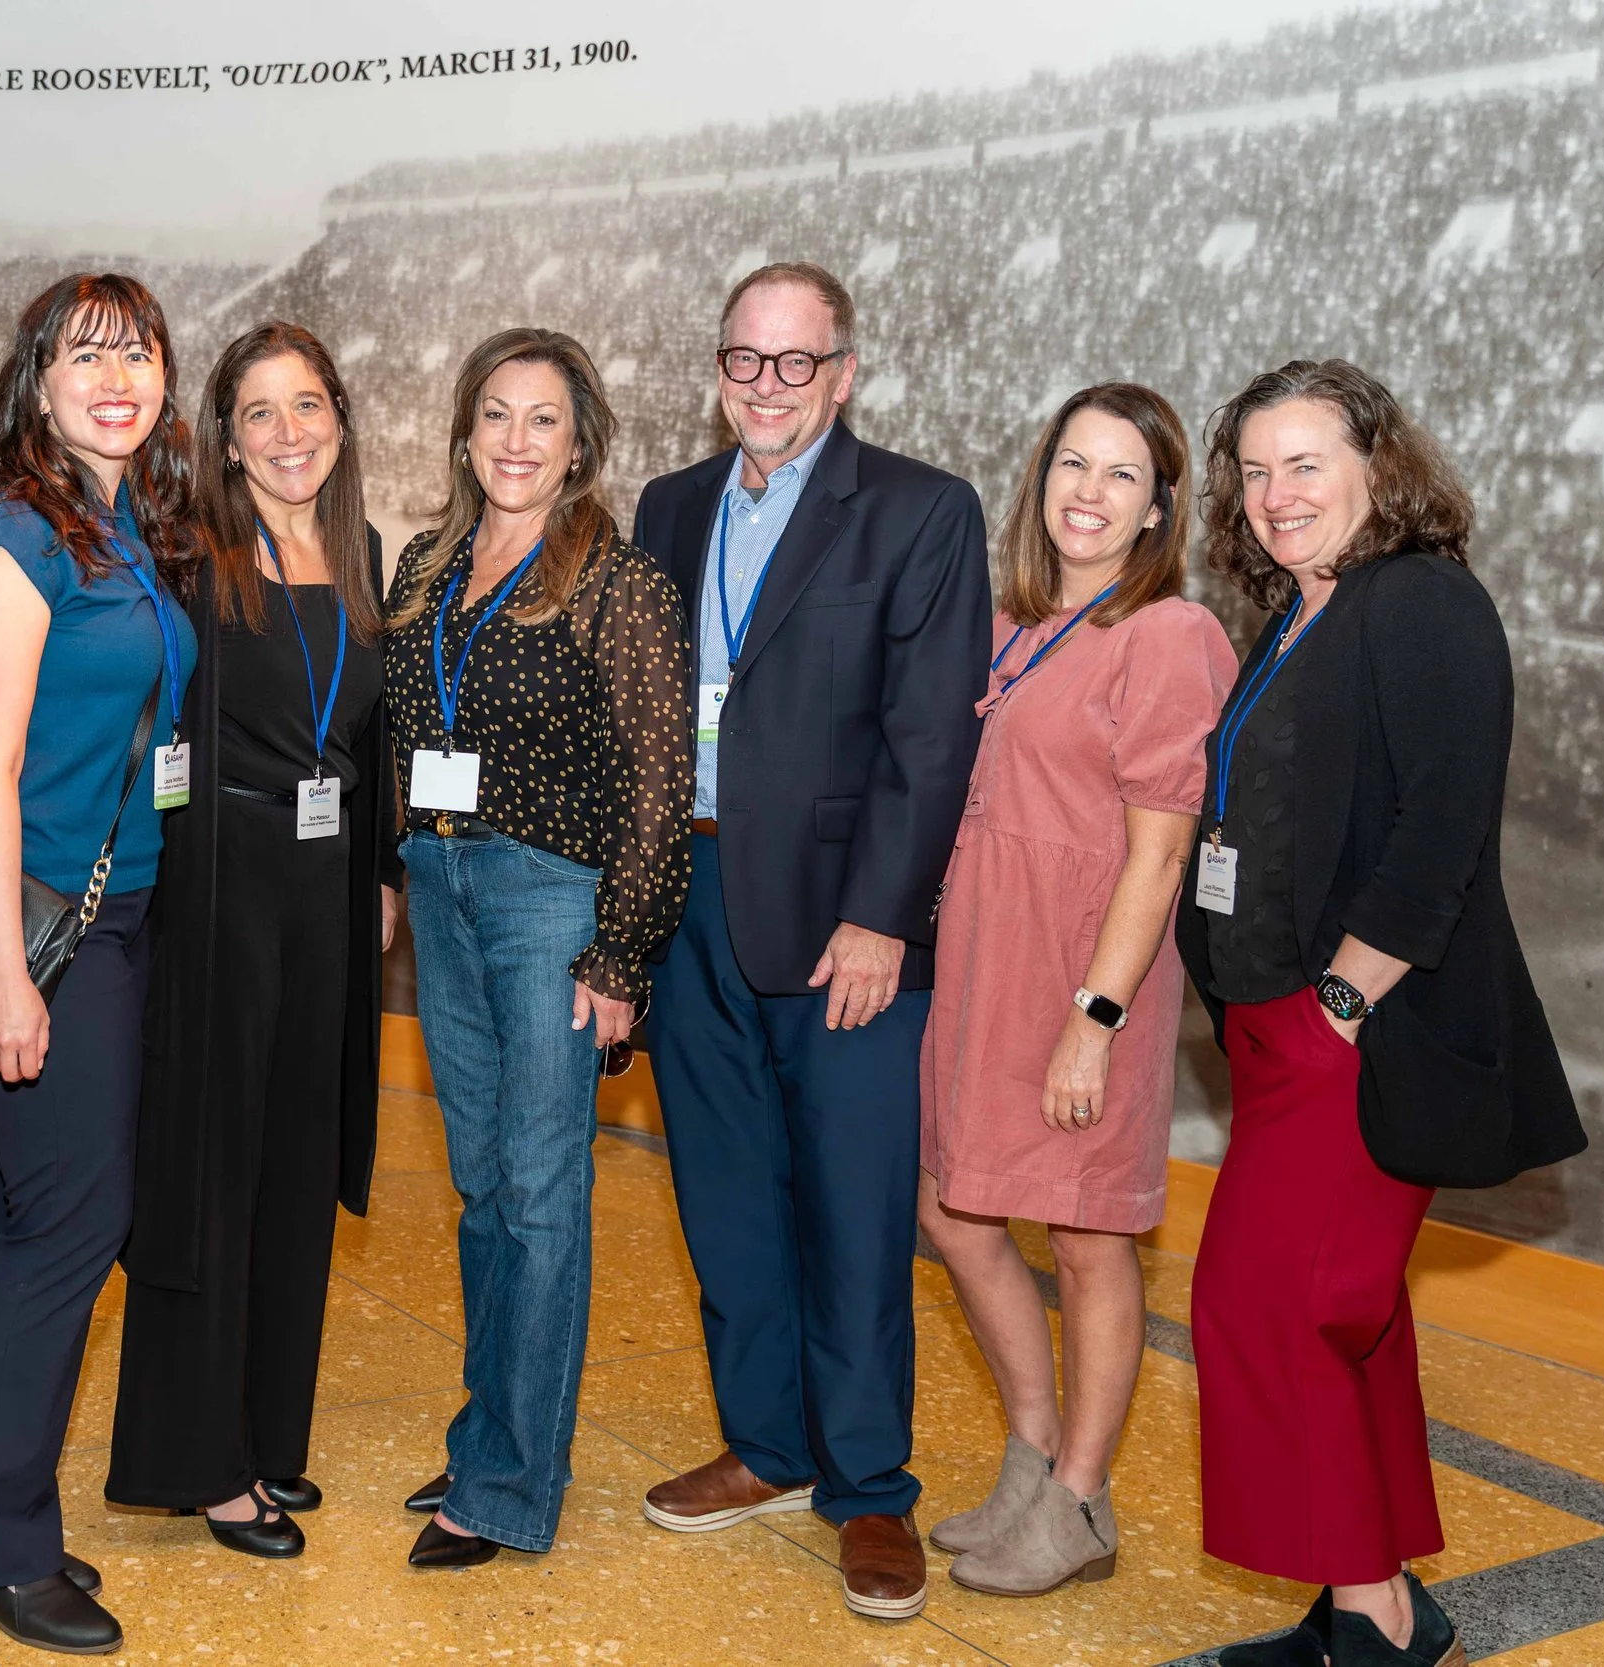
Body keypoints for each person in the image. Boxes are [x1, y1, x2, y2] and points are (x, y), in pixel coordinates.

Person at [0, 322, 399, 1559]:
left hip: (318, 893)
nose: (289, 433)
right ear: (223, 435)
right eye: (260, 412)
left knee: (278, 1175)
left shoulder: (355, 548)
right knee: (149, 1195)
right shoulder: (186, 550)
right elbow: (38, 703)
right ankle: (96, 1493)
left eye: (310, 406)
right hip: (184, 898)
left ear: (341, 417)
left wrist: (380, 874)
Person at [1180, 361, 1583, 1667]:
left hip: (1349, 1031)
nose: (1276, 493)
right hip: (1276, 1026)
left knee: (1271, 1309)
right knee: (1349, 1318)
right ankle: (1377, 1599)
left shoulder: (1422, 602)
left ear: (1376, 465)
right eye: (1255, 469)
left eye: (1306, 463)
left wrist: (1343, 996)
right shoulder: (1301, 610)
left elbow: (1441, 828)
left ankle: (1377, 1616)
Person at [630, 262, 990, 1621]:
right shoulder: (670, 508)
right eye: (745, 359)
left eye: (797, 363)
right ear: (719, 367)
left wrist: (881, 916)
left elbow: (928, 736)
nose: (767, 387)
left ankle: (870, 1484)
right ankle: (770, 1443)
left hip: (846, 928)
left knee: (850, 1206)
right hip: (692, 908)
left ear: (842, 374)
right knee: (725, 1197)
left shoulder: (917, 510)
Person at [0, 272, 198, 1657]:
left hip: (110, 913)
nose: (117, 375)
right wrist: (9, 977)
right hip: (53, 934)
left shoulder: (118, 527)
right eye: (86, 355)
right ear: (36, 381)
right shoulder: (19, 538)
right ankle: (2, 1546)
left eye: (136, 352)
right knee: (75, 1221)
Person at [914, 385, 1234, 1595]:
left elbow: (1159, 850)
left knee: (1090, 1237)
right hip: (984, 962)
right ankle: (1033, 1455)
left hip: (1087, 970)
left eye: (1119, 475)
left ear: (1158, 511)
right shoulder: (1010, 619)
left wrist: (1092, 1022)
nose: (1086, 493)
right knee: (953, 1210)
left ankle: (1082, 1499)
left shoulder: (1169, 637)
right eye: (1070, 465)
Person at [383, 327, 691, 1568]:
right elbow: (398, 730)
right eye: (497, 415)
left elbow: (662, 783)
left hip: (551, 904)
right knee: (482, 1186)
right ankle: (485, 1435)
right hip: (444, 887)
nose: (517, 440)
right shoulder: (422, 564)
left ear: (580, 445)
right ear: (464, 432)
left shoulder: (622, 583)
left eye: (544, 420)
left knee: (543, 1188)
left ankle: (513, 1482)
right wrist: (399, 865)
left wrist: (622, 954)